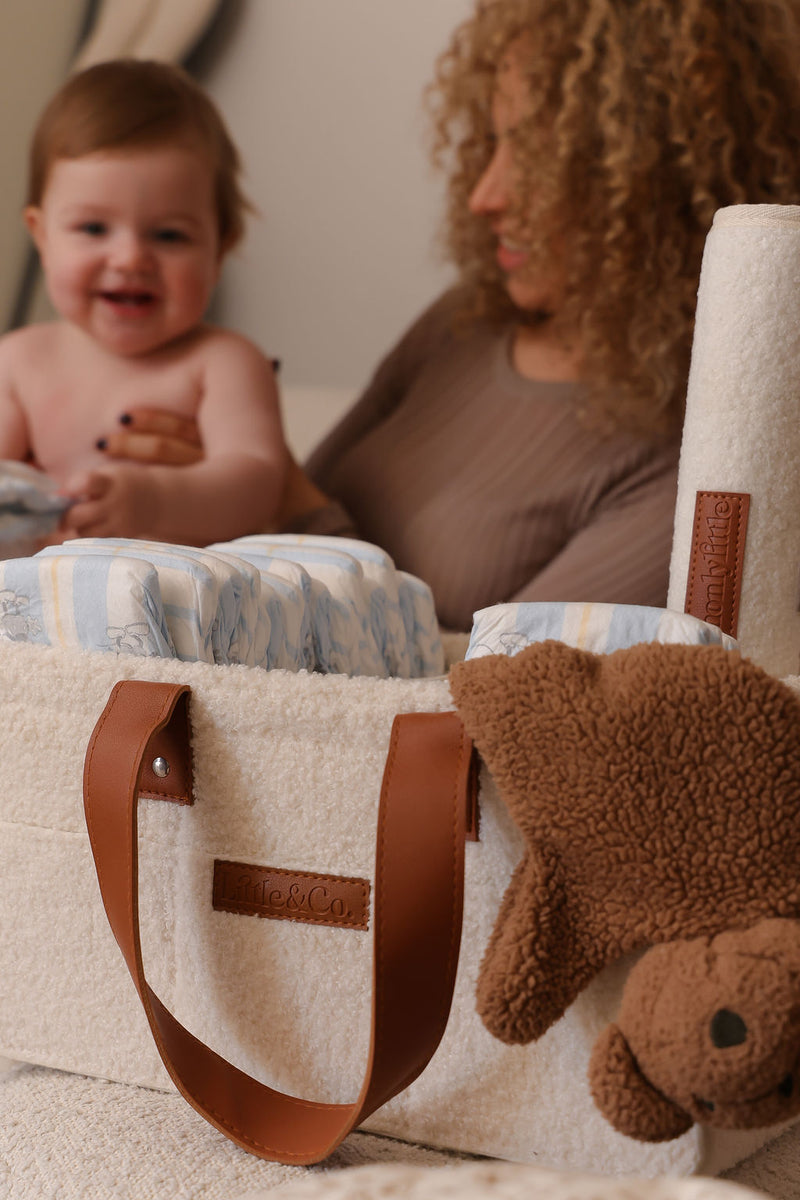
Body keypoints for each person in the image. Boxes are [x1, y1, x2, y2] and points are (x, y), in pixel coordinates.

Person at [94, 1, 800, 629]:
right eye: (494, 141)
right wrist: (212, 476)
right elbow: (288, 514)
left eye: (537, 153)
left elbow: (507, 689)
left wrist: (273, 492)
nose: (485, 195)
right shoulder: (466, 320)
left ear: (658, 176)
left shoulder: (702, 456)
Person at [0, 58, 287, 545]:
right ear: (42, 237)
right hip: (43, 587)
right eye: (94, 228)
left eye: (169, 235)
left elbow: (258, 482)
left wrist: (154, 501)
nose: (131, 258)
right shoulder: (18, 361)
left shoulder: (224, 362)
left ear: (220, 249)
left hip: (176, 589)